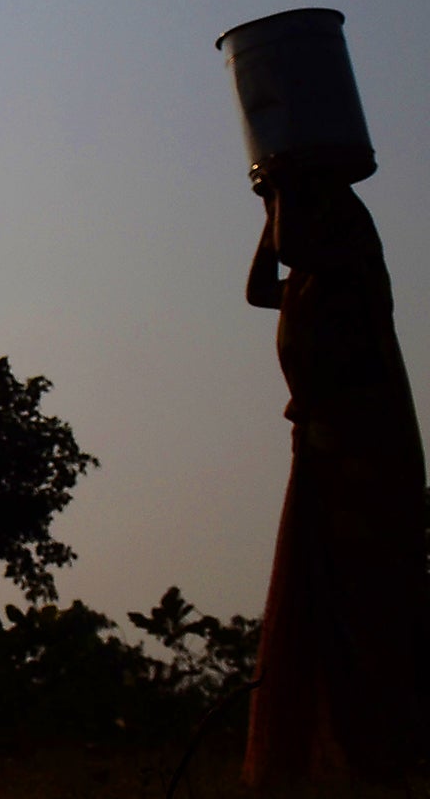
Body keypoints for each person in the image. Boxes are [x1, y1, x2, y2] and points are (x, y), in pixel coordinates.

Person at [242, 167, 429, 787]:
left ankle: (380, 756)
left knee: (364, 606)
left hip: (363, 455)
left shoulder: (348, 257)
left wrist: (281, 183)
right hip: (324, 452)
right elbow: (257, 288)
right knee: (325, 609)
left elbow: (293, 249)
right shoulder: (306, 280)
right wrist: (273, 199)